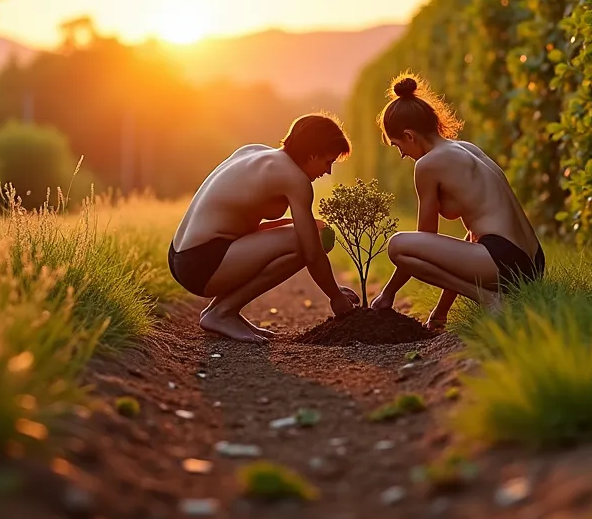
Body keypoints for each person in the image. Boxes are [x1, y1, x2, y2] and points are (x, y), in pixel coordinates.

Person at [369, 73, 544, 329]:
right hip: (534, 263)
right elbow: (471, 237)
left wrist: (388, 294)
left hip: (504, 261)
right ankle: (489, 299)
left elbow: (424, 242)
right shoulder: (467, 149)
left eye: (398, 146)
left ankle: (490, 299)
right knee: (420, 246)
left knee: (397, 246)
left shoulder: (428, 164)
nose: (402, 154)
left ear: (409, 135)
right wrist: (440, 313)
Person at [168, 113, 359, 344]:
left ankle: (221, 311)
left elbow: (242, 225)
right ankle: (221, 314)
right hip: (202, 263)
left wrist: (295, 223)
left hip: (182, 256)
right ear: (312, 154)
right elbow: (312, 251)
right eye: (328, 162)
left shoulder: (255, 152)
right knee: (316, 239)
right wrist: (335, 296)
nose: (328, 171)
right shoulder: (294, 178)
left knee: (310, 233)